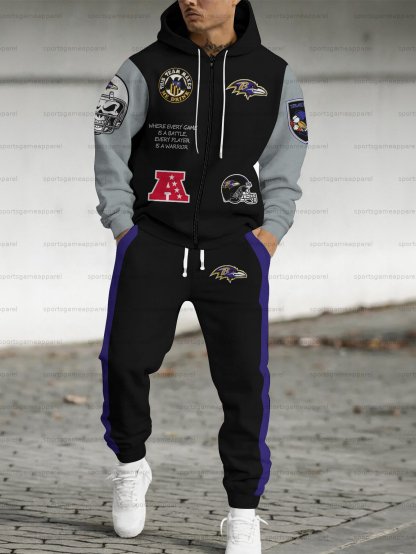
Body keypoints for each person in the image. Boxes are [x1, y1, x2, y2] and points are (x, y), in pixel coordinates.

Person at [94, 0, 308, 551]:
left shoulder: (274, 75)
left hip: (235, 250)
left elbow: (286, 161)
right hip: (154, 244)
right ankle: (130, 464)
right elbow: (110, 144)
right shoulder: (142, 68)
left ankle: (243, 511)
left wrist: (269, 235)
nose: (191, 0)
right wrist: (124, 228)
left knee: (243, 383)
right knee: (124, 361)